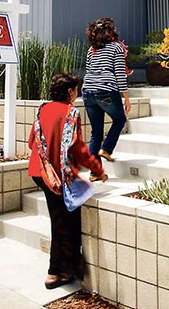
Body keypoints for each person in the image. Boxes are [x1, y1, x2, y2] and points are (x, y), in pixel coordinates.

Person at [27, 72, 107, 290]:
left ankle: (67, 269)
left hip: (40, 172)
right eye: (76, 90)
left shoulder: (42, 109)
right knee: (62, 222)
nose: (77, 94)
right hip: (57, 177)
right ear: (70, 91)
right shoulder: (71, 113)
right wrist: (98, 169)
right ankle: (55, 272)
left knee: (65, 219)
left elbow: (31, 142)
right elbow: (79, 149)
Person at [82, 17, 130, 166]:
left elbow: (88, 70)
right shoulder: (116, 48)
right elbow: (120, 73)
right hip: (106, 90)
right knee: (120, 119)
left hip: (88, 92)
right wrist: (126, 98)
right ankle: (107, 149)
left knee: (96, 132)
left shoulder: (92, 50)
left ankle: (95, 172)